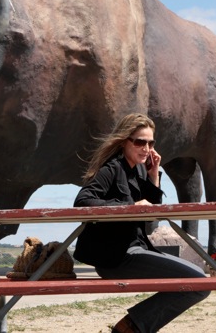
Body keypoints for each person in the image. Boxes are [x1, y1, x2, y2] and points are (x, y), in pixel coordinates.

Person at [73, 113, 209, 333]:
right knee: (198, 283)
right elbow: (82, 201)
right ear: (124, 141)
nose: (146, 148)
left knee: (198, 280)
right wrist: (128, 206)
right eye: (140, 142)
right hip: (117, 258)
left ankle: (133, 326)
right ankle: (132, 326)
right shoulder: (112, 168)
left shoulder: (136, 169)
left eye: (150, 143)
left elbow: (150, 215)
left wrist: (153, 176)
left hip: (134, 251)